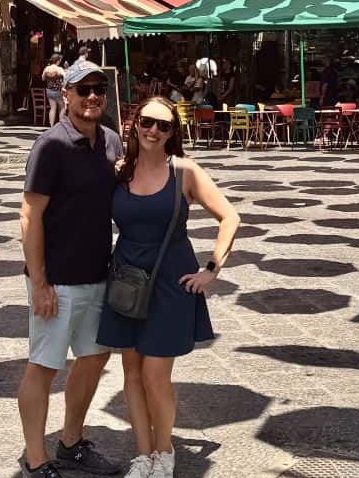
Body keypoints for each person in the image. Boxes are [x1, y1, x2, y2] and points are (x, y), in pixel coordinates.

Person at [98, 98, 240, 478]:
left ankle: (165, 451)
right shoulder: (120, 171)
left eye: (163, 126)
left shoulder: (184, 172)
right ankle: (143, 455)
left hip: (170, 277)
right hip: (127, 278)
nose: (153, 131)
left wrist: (212, 269)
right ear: (135, 124)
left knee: (156, 374)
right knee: (130, 371)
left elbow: (230, 216)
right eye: (147, 122)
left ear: (172, 132)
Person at [17, 60, 124, 478]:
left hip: (99, 274)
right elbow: (30, 216)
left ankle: (71, 442)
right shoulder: (51, 146)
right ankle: (35, 457)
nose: (93, 96)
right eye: (84, 90)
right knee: (43, 365)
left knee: (95, 356)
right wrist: (39, 281)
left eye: (99, 89)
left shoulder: (112, 142)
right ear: (67, 96)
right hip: (57, 280)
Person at [42, 54, 66, 126]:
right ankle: (61, 125)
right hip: (58, 91)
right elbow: (66, 78)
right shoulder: (59, 69)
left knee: (52, 108)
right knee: (62, 107)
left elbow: (43, 78)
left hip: (49, 90)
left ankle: (51, 125)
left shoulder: (47, 68)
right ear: (58, 61)